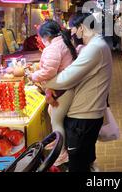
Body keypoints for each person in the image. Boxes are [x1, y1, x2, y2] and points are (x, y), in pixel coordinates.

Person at [44, 12, 112, 172]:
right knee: (84, 162)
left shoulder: (95, 47)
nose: (72, 33)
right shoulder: (96, 45)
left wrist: (45, 82)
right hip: (88, 114)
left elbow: (68, 76)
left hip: (83, 117)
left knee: (77, 165)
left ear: (81, 28)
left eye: (73, 29)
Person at [29, 20, 78, 167]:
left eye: (41, 38)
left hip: (61, 90)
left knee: (56, 121)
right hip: (66, 88)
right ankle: (58, 144)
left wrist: (33, 76)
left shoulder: (53, 48)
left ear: (46, 36)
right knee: (55, 116)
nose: (41, 41)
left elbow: (49, 71)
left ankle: (61, 154)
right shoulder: (64, 42)